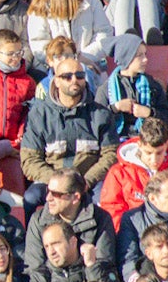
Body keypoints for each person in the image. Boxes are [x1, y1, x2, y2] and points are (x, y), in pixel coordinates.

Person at [20, 54, 119, 221]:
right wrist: (57, 182)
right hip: (50, 180)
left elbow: (111, 154)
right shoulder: (39, 114)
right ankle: (33, 243)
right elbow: (29, 161)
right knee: (30, 198)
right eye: (67, 76)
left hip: (90, 181)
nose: (75, 80)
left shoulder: (101, 114)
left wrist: (87, 180)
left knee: (107, 200)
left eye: (80, 76)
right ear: (56, 81)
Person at [101, 117, 168, 229]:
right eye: (148, 153)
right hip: (132, 233)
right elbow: (112, 209)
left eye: (159, 153)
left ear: (167, 145)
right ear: (139, 145)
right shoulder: (119, 173)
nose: (154, 160)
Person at [97, 35, 168, 141]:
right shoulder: (105, 89)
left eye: (145, 54)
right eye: (139, 56)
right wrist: (115, 108)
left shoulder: (153, 86)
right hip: (114, 144)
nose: (145, 59)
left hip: (148, 143)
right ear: (126, 58)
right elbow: (96, 122)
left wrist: (150, 113)